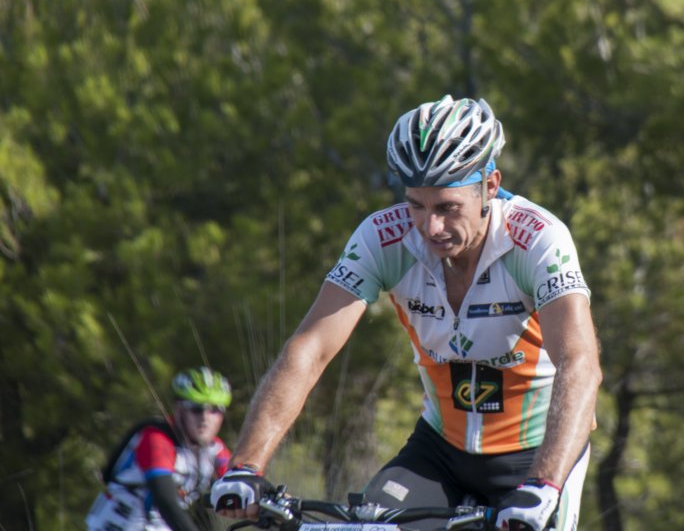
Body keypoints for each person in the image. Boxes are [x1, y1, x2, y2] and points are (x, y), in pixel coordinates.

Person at [212, 95, 602, 531]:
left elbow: (579, 362)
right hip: (439, 451)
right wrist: (245, 466)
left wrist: (545, 482)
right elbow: (310, 349)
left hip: (535, 455)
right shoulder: (384, 238)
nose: (430, 227)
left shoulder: (538, 240)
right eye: (416, 204)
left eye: (447, 207)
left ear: (490, 186)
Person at [86, 367, 233, 531]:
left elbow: (237, 480)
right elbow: (166, 501)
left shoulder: (214, 448)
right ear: (179, 409)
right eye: (196, 409)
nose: (205, 418)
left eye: (215, 410)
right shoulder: (156, 440)